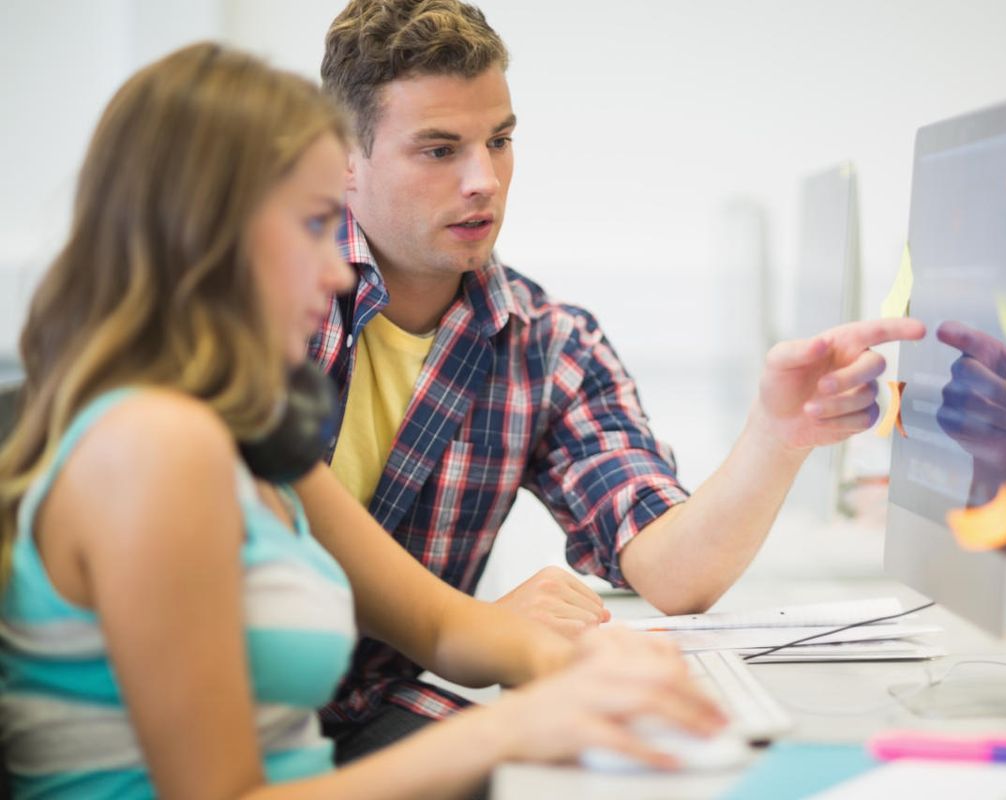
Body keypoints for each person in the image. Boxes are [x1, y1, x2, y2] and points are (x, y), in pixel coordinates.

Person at [0, 42, 723, 799]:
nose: (341, 267)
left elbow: (443, 627)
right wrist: (508, 729)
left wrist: (594, 671)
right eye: (314, 223)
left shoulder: (245, 439)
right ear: (207, 233)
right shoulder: (154, 448)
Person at [312, 0, 927, 760]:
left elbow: (675, 574)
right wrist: (489, 633)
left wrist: (778, 435)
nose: (484, 181)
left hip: (370, 709)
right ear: (343, 155)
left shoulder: (546, 341)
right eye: (439, 150)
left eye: (500, 141)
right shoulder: (273, 299)